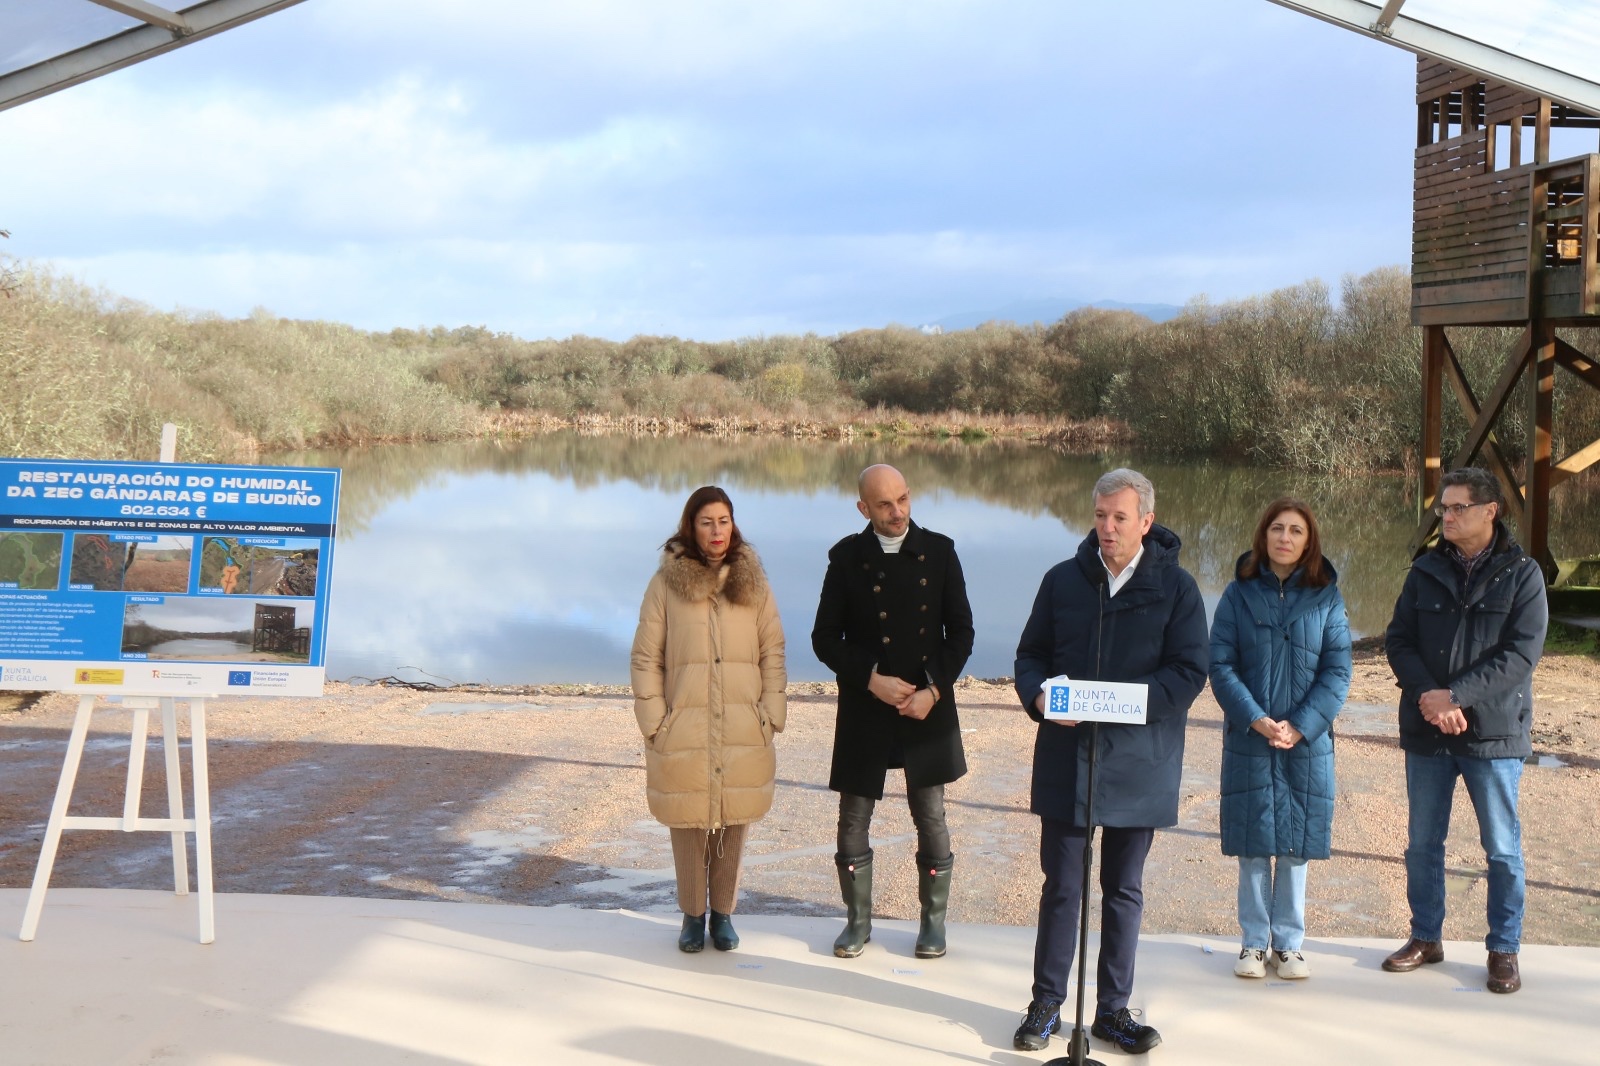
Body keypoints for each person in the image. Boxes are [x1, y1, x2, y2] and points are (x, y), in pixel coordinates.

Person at [1012, 468, 1207, 1056]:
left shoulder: (1178, 589)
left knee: (1123, 890)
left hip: (1139, 762)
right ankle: (1047, 1003)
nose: (1107, 528)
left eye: (1119, 518)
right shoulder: (1062, 581)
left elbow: (1189, 671)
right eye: (1099, 516)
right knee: (1062, 888)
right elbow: (1030, 655)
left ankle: (1112, 1011)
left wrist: (1130, 704)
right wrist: (1040, 695)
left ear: (1145, 522)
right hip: (1068, 759)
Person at [1383, 466, 1547, 994]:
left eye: (1456, 508)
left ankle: (1504, 949)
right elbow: (1399, 641)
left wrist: (1457, 697)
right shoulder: (1425, 569)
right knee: (1423, 843)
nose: (1446, 517)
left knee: (1501, 847)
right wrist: (1433, 700)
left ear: (1489, 511)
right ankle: (1425, 937)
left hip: (1493, 734)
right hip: (1430, 729)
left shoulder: (1523, 573)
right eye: (1443, 508)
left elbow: (1520, 654)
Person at [811, 464, 974, 960]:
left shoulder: (941, 551)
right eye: (884, 504)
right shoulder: (845, 557)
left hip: (926, 708)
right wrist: (870, 678)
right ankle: (858, 922)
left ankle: (932, 925)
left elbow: (961, 634)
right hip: (867, 705)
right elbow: (824, 639)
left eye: (902, 499)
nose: (897, 511)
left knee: (931, 814)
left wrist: (932, 689)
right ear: (863, 508)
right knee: (853, 817)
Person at [631, 485, 787, 953]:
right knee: (689, 824)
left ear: (733, 524)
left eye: (724, 521)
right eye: (706, 522)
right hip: (685, 725)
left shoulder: (753, 583)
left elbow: (772, 651)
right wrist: (656, 721)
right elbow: (645, 659)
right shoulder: (665, 585)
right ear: (690, 527)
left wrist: (771, 714)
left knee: (733, 821)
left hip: (743, 724)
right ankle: (691, 914)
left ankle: (723, 914)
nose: (717, 531)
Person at [1209, 498, 1352, 980]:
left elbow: (1338, 670)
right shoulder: (1237, 594)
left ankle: (1289, 944)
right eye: (1277, 528)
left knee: (1296, 842)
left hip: (1306, 741)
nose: (1285, 538)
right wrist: (1255, 718)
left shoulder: (1328, 597)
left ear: (1309, 540)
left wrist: (1302, 724)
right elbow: (1221, 665)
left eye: (1295, 531)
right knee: (1253, 841)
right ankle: (1252, 943)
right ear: (1263, 535)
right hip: (1251, 736)